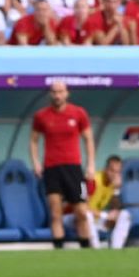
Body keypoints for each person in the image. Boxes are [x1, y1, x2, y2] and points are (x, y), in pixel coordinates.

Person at [30, 80, 95, 249]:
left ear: (67, 93)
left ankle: (85, 247)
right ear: (50, 94)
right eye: (54, 92)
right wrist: (36, 162)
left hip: (75, 170)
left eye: (60, 92)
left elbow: (88, 139)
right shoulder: (41, 116)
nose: (57, 95)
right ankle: (59, 250)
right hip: (52, 169)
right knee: (55, 212)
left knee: (82, 211)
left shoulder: (79, 113)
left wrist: (91, 165)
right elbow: (34, 140)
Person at [87, 155, 131, 249]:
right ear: (105, 169)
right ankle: (96, 250)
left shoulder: (112, 184)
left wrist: (116, 190)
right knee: (87, 216)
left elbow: (116, 207)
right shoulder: (92, 180)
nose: (115, 174)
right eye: (112, 171)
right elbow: (82, 208)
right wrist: (105, 215)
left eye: (118, 172)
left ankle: (116, 250)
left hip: (96, 220)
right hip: (76, 220)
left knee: (125, 215)